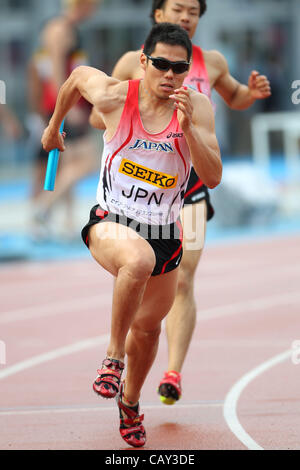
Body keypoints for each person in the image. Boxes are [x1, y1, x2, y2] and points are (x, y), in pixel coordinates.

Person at [42, 23, 222, 448]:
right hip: (112, 220)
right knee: (136, 261)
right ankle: (111, 357)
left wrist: (190, 129)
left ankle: (130, 402)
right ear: (143, 62)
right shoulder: (116, 95)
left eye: (178, 68)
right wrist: (53, 129)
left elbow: (212, 177)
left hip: (165, 234)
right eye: (160, 64)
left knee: (147, 330)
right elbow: (75, 78)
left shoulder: (195, 107)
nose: (169, 75)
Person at [89, 0, 271, 406]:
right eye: (177, 8)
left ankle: (172, 372)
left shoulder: (214, 62)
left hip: (190, 188)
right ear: (158, 15)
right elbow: (98, 116)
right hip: (138, 187)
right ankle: (128, 342)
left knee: (185, 275)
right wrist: (138, 124)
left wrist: (251, 95)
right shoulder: (130, 62)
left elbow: (237, 96)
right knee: (140, 271)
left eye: (193, 10)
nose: (185, 17)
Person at [27, 0, 101, 239]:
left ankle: (66, 222)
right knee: (87, 161)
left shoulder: (69, 29)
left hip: (61, 107)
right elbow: (55, 72)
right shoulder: (59, 29)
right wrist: (67, 108)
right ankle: (43, 207)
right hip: (61, 109)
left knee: (67, 166)